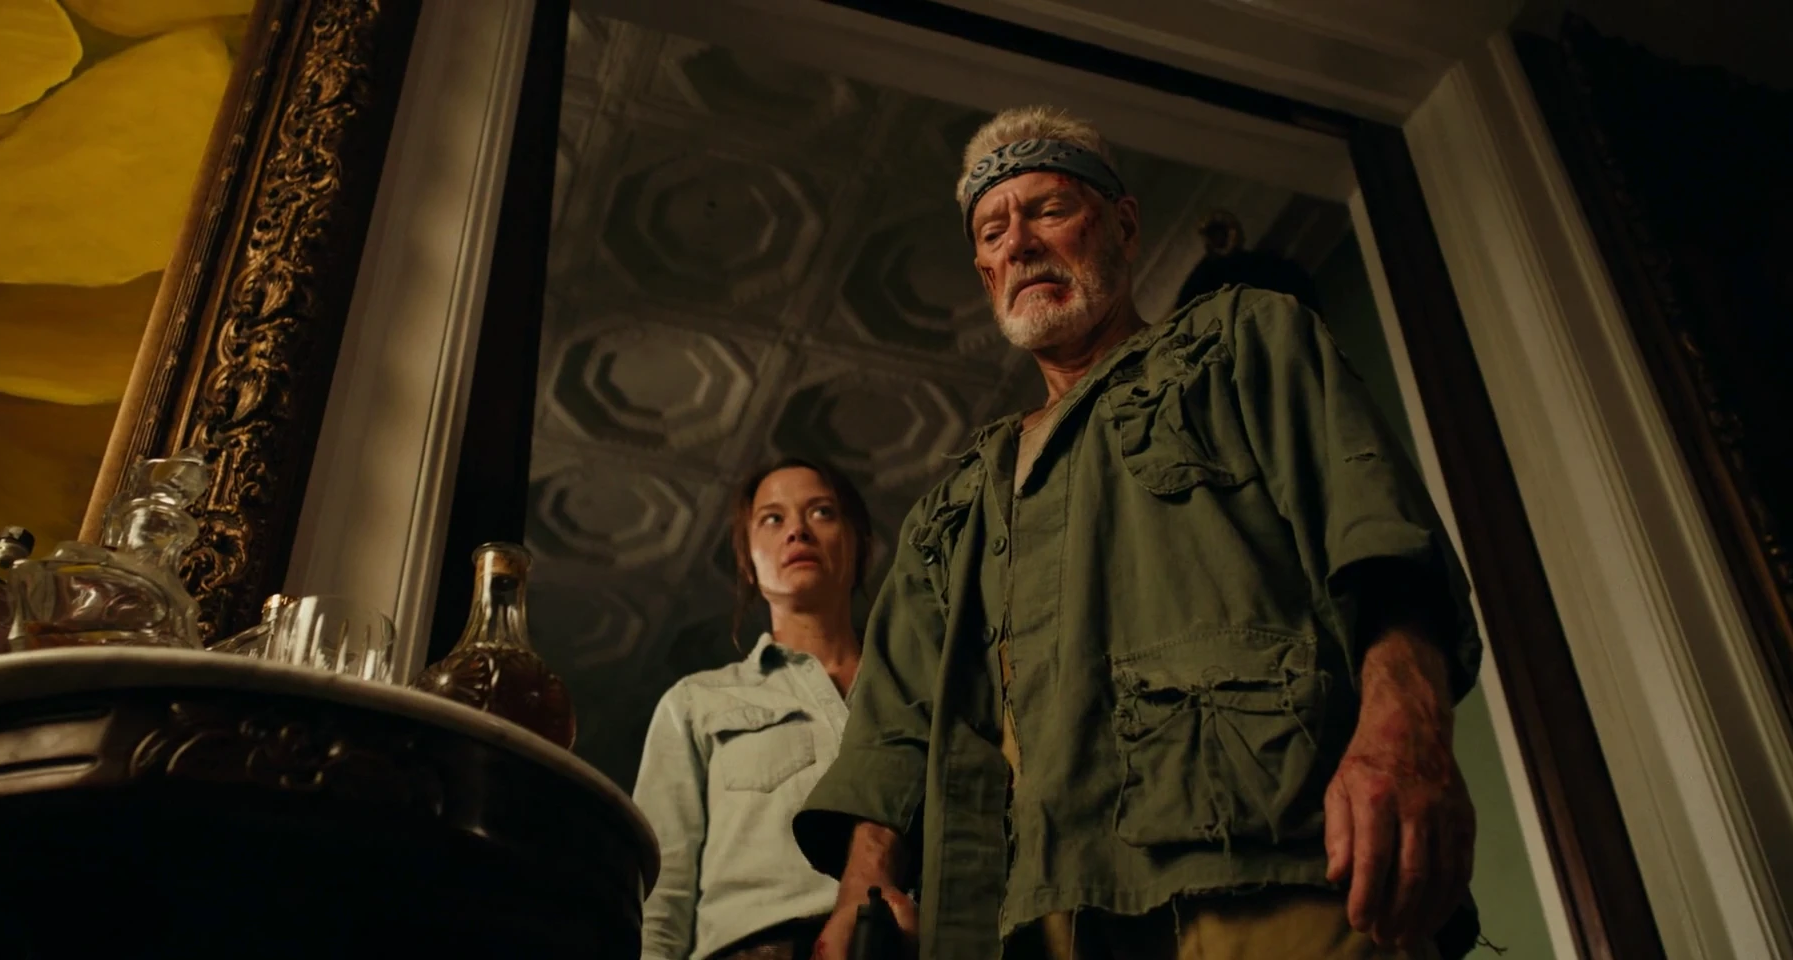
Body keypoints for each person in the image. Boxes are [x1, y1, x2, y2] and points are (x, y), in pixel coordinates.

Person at [794, 106, 1484, 960]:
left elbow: (1378, 536)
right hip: (1038, 924)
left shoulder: (1241, 340)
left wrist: (1408, 733)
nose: (1021, 244)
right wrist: (863, 890)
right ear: (985, 272)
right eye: (994, 232)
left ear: (1122, 224)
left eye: (1049, 210)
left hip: (1275, 868)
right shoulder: (953, 508)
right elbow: (894, 725)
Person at [635, 458, 877, 960]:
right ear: (747, 559)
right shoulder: (696, 702)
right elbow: (660, 895)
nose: (797, 531)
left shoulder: (914, 692)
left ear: (858, 543)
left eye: (822, 512)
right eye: (772, 518)